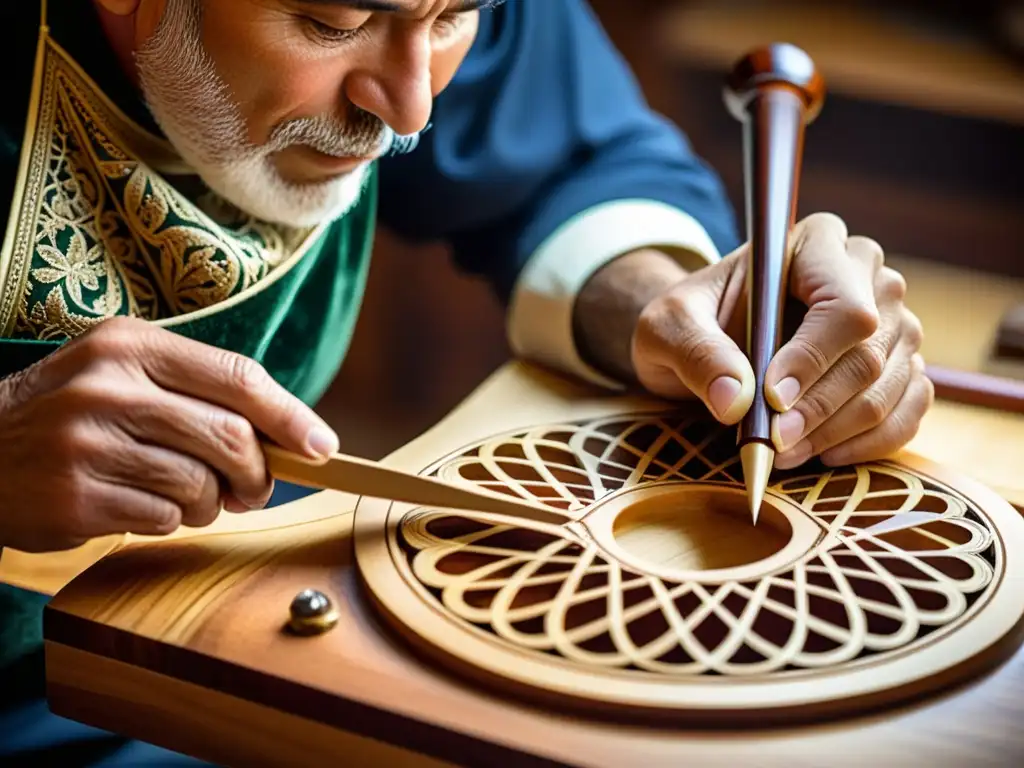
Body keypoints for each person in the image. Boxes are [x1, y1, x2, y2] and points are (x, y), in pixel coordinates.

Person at [0, 0, 932, 763]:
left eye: (454, 18)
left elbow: (574, 163)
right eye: (331, 24)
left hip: (214, 630)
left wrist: (675, 311)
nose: (409, 109)